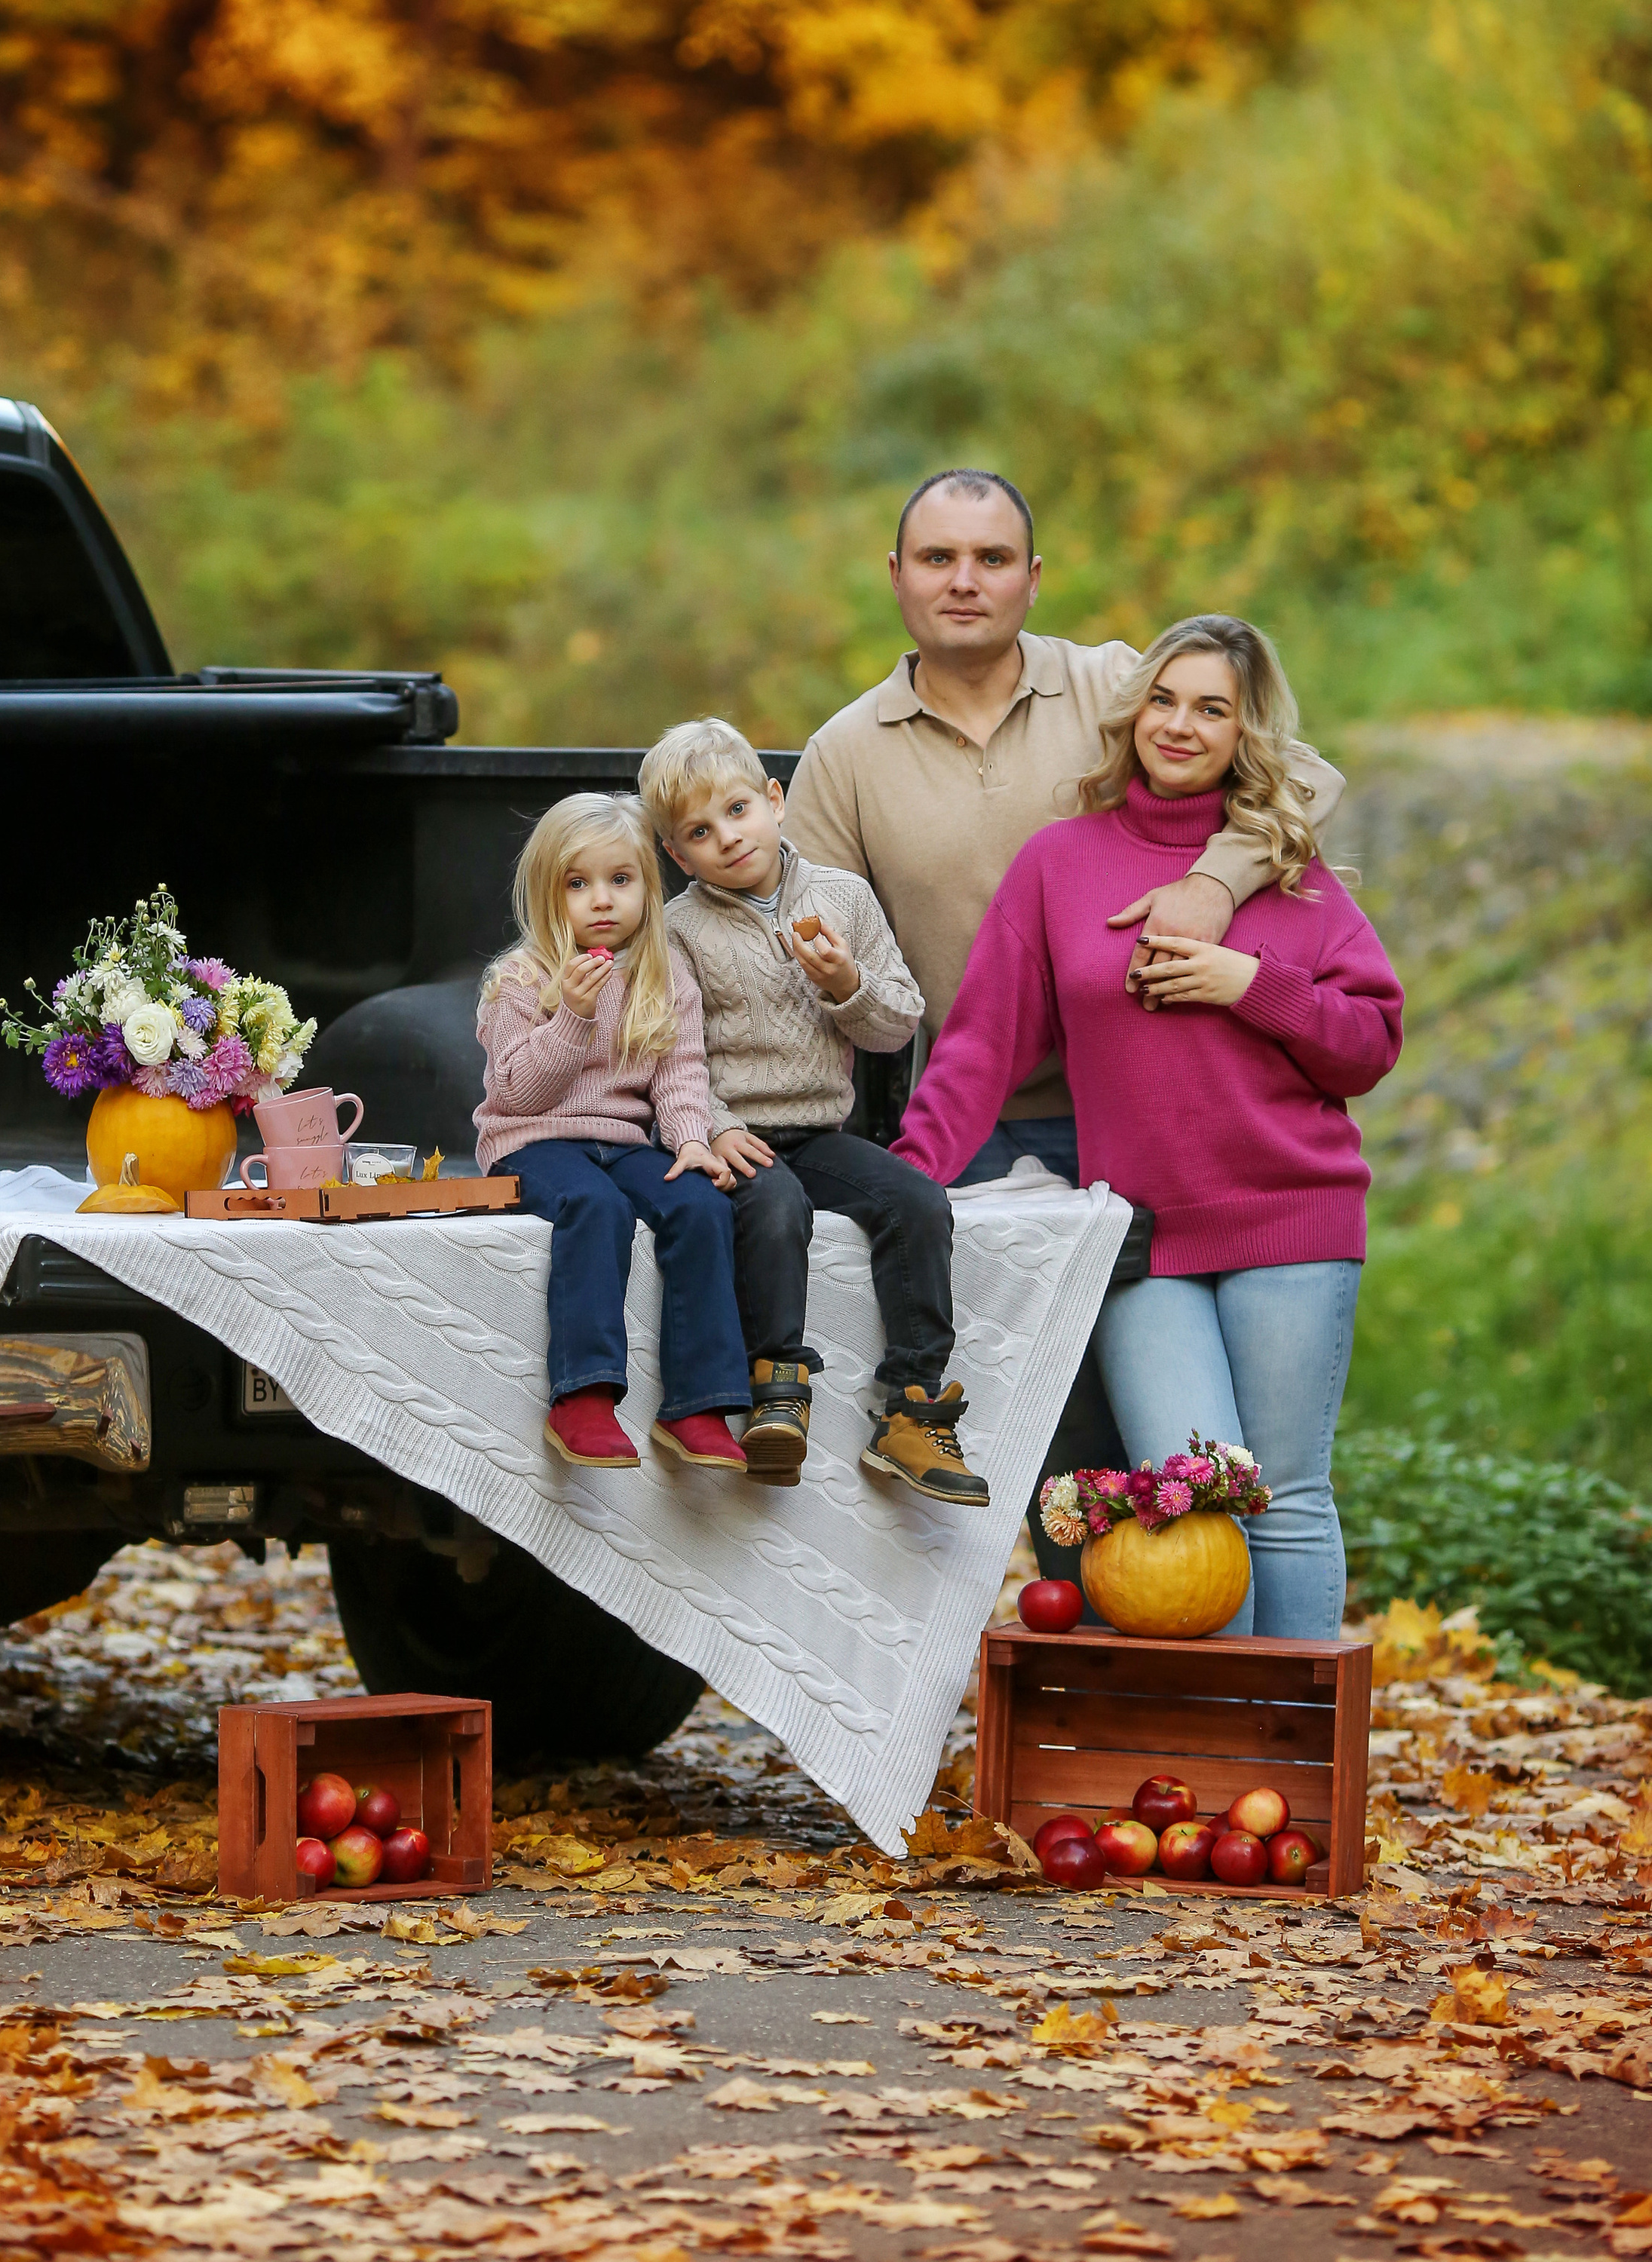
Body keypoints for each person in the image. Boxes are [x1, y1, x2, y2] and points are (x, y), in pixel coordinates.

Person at [782, 469, 1347, 1579]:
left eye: (992, 559)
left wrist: (1217, 886)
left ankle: (1182, 1664)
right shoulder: (846, 753)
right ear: (895, 577)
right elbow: (802, 958)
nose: (965, 581)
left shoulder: (1111, 685)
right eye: (938, 558)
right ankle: (1077, 1671)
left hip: (1147, 1119)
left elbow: (1304, 778)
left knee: (1176, 1445)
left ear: (1034, 580)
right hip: (982, 1130)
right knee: (1040, 1436)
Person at [892, 615, 1402, 1636]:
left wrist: (1252, 984)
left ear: (1245, 732)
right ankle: (1216, 1760)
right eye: (1164, 700)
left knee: (1287, 1498)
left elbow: (1369, 1043)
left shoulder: (1296, 877)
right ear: (1131, 716)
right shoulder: (1059, 865)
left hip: (1291, 1218)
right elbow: (981, 1047)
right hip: (1139, 1240)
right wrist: (905, 1183)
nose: (1180, 724)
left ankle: (1295, 1765)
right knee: (1190, 1501)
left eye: (1211, 708)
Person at [640, 718, 985, 1505]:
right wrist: (714, 1126)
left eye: (736, 810)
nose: (727, 839)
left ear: (774, 800)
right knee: (773, 1206)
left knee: (916, 1202)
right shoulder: (677, 931)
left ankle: (911, 1406)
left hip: (820, 1128)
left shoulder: (842, 897)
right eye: (698, 830)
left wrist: (843, 984)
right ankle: (777, 1388)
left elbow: (898, 1023)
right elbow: (668, 1054)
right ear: (675, 853)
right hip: (737, 1131)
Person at [474, 792, 752, 1472]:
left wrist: (690, 1138)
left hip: (624, 1140)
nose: (602, 900)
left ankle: (699, 1402)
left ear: (648, 889)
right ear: (548, 893)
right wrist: (571, 1014)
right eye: (579, 883)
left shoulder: (664, 974)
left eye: (620, 881)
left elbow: (681, 1073)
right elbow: (517, 1090)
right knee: (595, 1206)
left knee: (701, 1206)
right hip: (530, 1141)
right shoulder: (518, 979)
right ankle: (584, 1397)